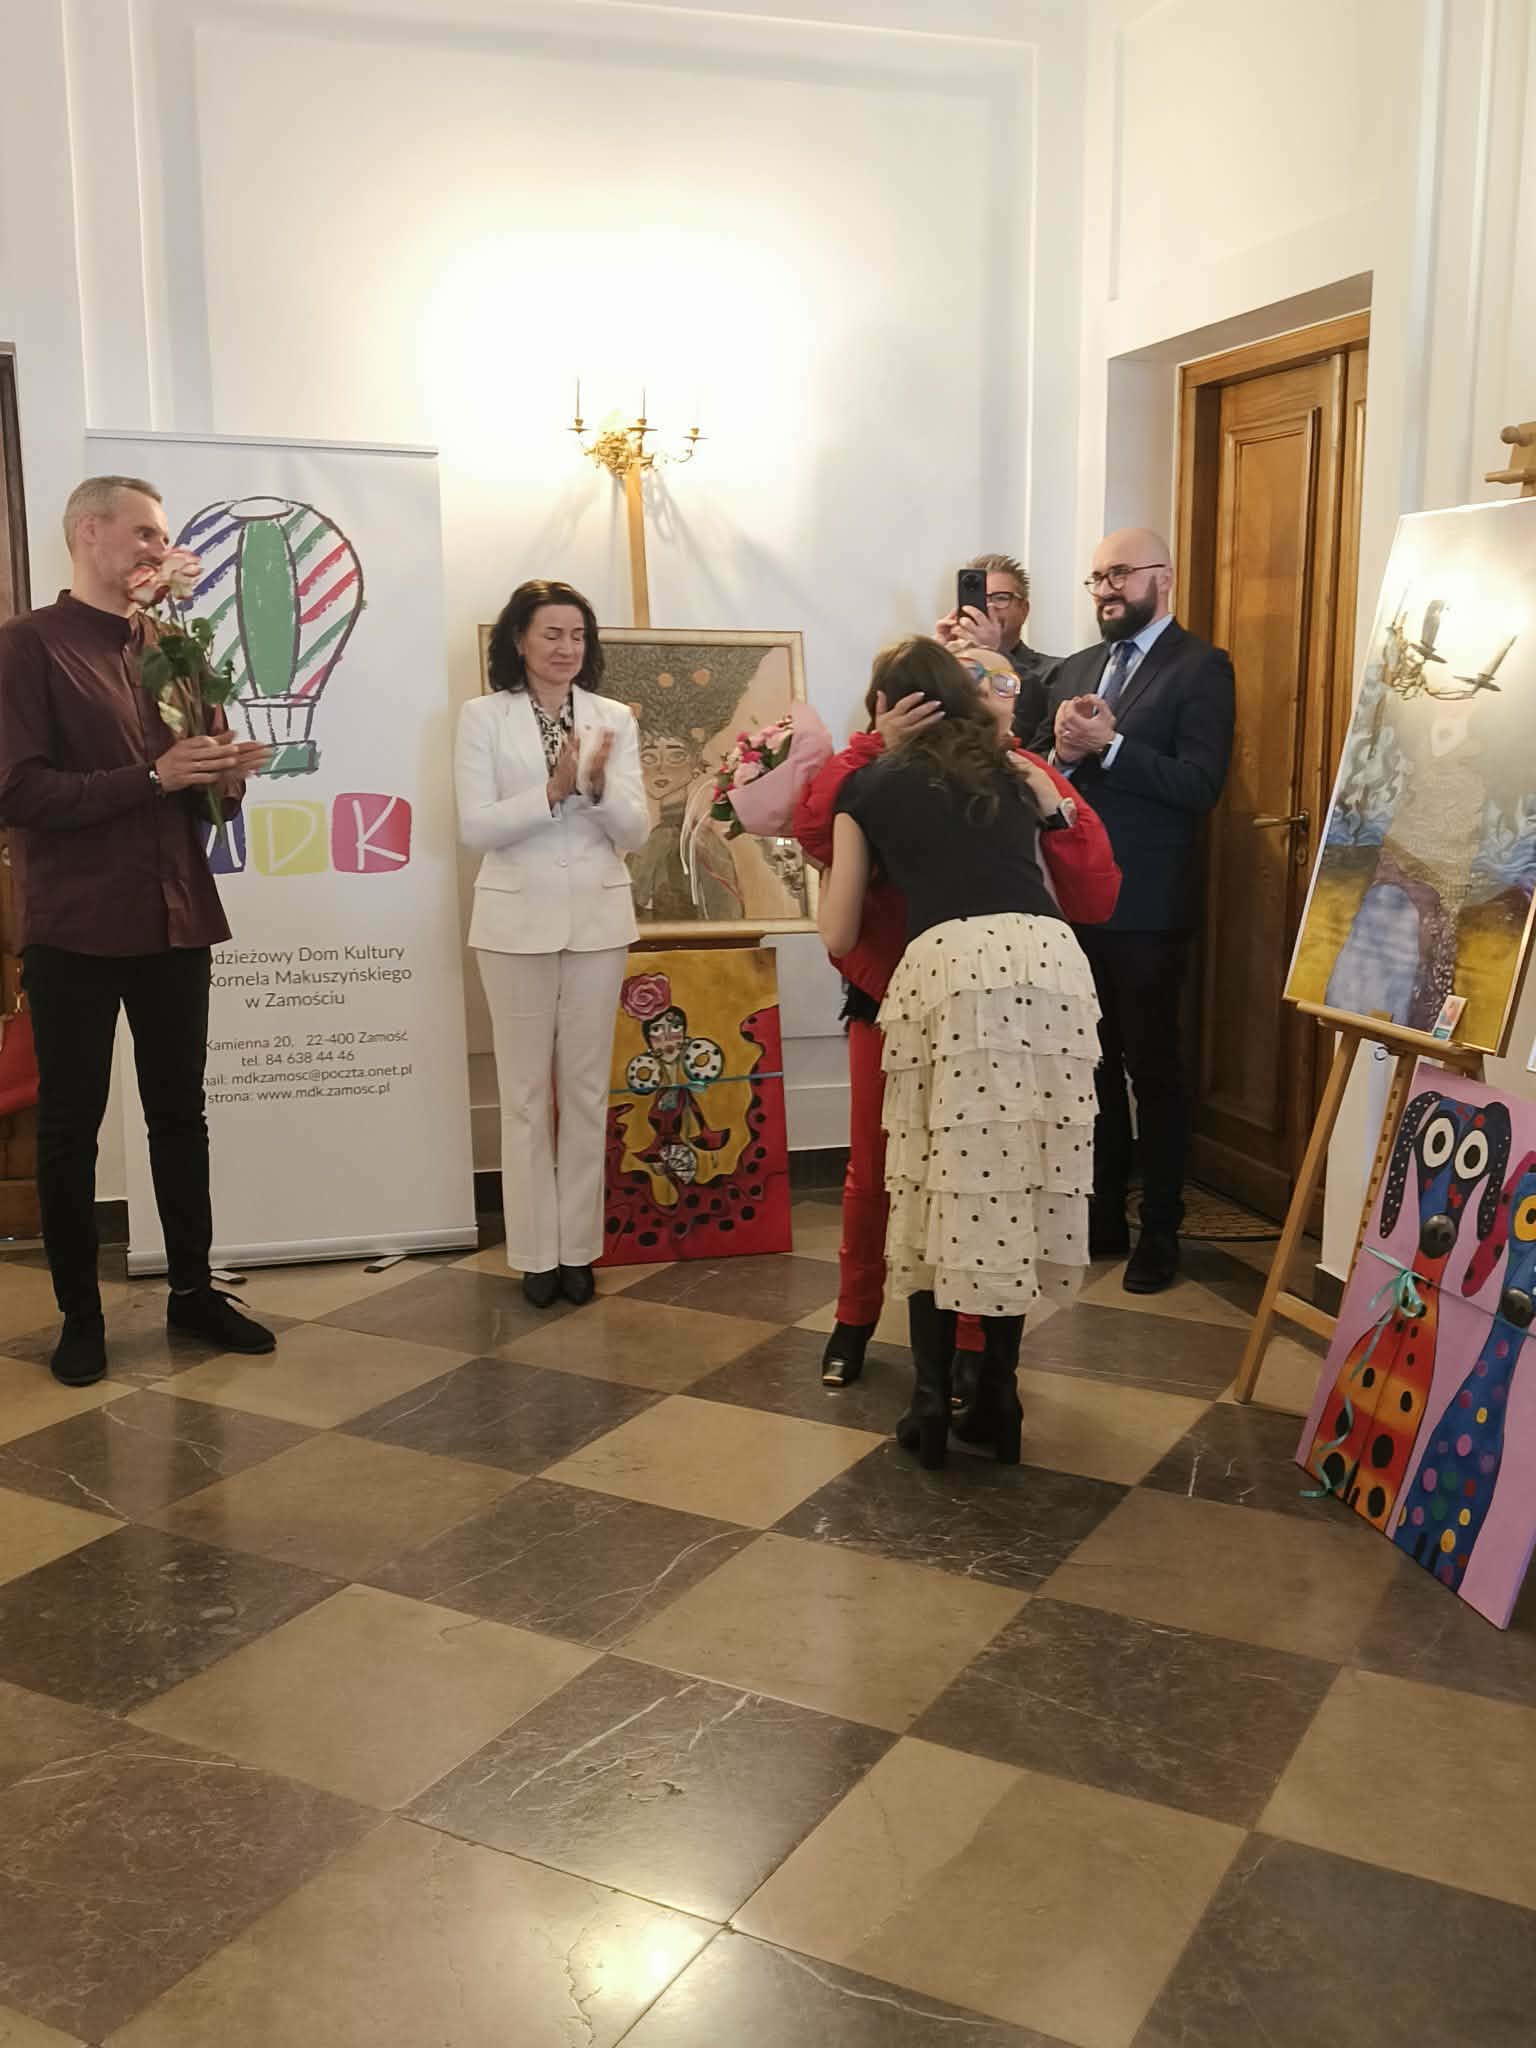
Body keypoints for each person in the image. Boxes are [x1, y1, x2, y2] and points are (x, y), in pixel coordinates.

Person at [0, 475, 275, 1388]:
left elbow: (202, 798)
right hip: (76, 924)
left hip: (176, 915)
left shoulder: (178, 647)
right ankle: (80, 1317)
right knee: (70, 1128)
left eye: (163, 537)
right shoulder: (27, 645)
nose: (161, 549)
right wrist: (155, 777)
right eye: (147, 533)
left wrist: (224, 774)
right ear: (90, 532)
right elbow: (17, 791)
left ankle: (192, 1293)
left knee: (180, 1116)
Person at [816, 636, 1107, 1469]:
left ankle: (928, 1405)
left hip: (951, 968)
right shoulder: (1014, 770)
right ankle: (999, 1399)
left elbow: (838, 932)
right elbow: (1072, 866)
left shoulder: (867, 786)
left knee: (932, 1178)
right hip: (1051, 965)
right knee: (1014, 1175)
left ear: (886, 706)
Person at [1033, 527, 1235, 1295]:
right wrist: (1061, 752)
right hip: (1074, 902)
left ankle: (1161, 1229)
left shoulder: (1201, 667)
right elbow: (1036, 775)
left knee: (1153, 1068)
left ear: (1164, 576)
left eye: (1119, 573)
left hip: (1149, 905)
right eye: (1096, 578)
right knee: (1091, 1064)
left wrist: (1113, 747)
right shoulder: (1074, 669)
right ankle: (1104, 1214)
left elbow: (1200, 786)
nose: (1106, 589)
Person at [456, 579, 648, 1308]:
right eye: (551, 634)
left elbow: (636, 830)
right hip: (513, 924)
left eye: (577, 636)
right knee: (526, 1095)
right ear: (519, 640)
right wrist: (550, 790)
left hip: (597, 920)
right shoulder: (483, 717)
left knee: (588, 1090)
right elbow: (475, 827)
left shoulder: (611, 718)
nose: (566, 648)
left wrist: (593, 788)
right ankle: (536, 1254)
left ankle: (578, 1250)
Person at [935, 552, 1059, 739]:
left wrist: (993, 655)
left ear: (1024, 610)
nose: (988, 607)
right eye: (978, 598)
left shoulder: (1055, 670)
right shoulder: (949, 667)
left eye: (1000, 598)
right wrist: (934, 660)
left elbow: (1033, 729)